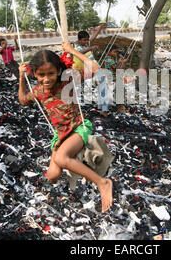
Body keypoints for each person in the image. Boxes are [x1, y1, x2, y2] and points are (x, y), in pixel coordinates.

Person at [18, 41, 113, 213]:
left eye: (51, 73)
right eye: (41, 75)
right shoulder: (39, 91)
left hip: (78, 127)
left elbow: (95, 68)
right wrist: (21, 77)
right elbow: (23, 100)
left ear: (59, 71)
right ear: (35, 74)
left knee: (62, 158)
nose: (46, 79)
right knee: (52, 176)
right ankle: (74, 167)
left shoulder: (67, 80)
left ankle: (102, 182)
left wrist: (72, 51)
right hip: (61, 134)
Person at [100, 44, 128, 115]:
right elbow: (118, 69)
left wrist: (120, 62)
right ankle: (107, 110)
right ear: (109, 52)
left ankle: (118, 108)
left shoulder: (110, 59)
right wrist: (123, 63)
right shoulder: (109, 60)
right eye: (114, 52)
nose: (116, 54)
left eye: (116, 52)